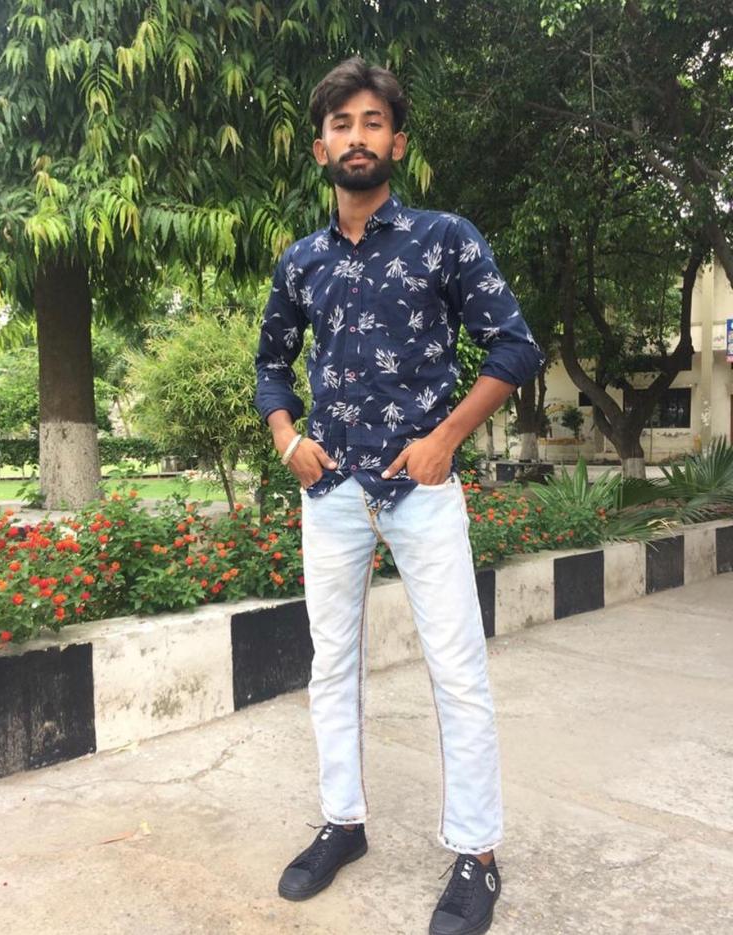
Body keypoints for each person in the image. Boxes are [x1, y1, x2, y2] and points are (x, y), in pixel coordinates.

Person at [254, 56, 544, 935]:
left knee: (457, 670)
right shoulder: (301, 260)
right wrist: (288, 439)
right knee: (330, 664)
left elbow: (514, 347)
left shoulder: (444, 237)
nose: (357, 137)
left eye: (372, 122)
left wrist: (446, 438)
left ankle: (477, 853)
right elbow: (271, 365)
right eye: (341, 124)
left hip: (421, 490)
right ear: (320, 148)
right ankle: (343, 823)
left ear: (398, 143)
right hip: (332, 492)